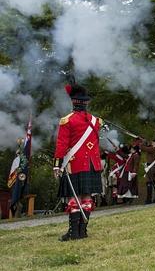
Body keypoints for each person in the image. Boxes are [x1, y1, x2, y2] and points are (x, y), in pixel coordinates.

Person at [53, 83, 103, 241]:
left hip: (74, 163)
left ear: (73, 102)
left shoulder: (66, 121)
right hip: (92, 164)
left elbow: (61, 145)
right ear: (86, 102)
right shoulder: (96, 121)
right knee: (87, 196)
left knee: (74, 198)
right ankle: (83, 231)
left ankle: (74, 232)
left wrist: (56, 165)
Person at [139, 138, 155, 204]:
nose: (152, 143)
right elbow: (147, 148)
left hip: (152, 166)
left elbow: (143, 148)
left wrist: (143, 142)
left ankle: (149, 199)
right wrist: (146, 143)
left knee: (148, 181)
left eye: (154, 142)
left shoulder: (154, 149)